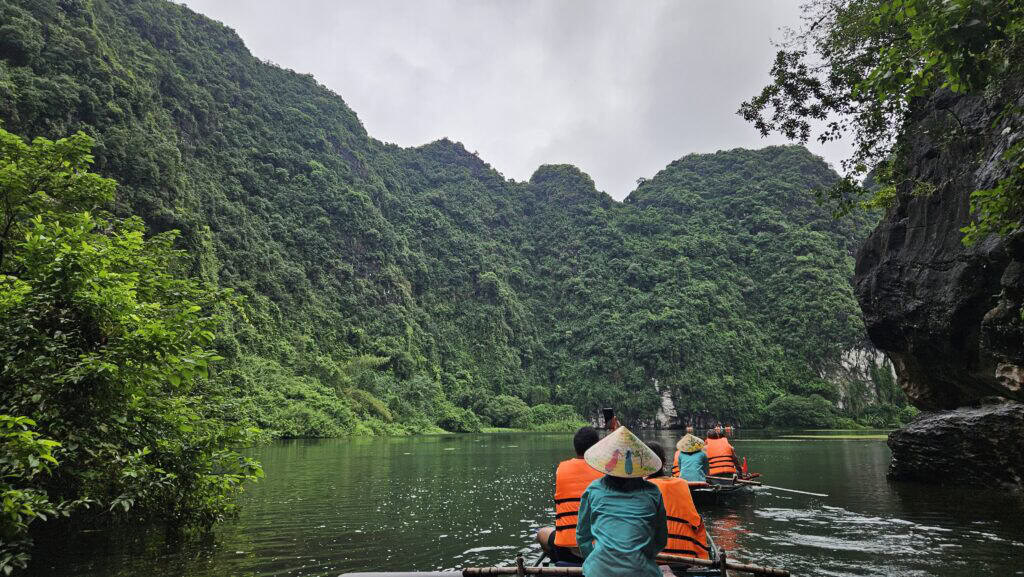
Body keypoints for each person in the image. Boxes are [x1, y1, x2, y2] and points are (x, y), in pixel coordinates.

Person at [576, 426, 667, 577]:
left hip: (598, 571)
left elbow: (582, 537)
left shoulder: (593, 490)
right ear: (638, 464)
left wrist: (596, 561)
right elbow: (660, 539)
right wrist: (640, 557)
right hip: (641, 571)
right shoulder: (653, 492)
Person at [536, 426, 603, 565]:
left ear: (575, 447)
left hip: (565, 550)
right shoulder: (605, 470)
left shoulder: (561, 468)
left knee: (542, 533)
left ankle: (560, 563)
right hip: (599, 550)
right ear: (597, 447)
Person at [645, 441, 711, 560]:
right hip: (688, 558)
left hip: (653, 559)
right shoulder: (681, 484)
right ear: (664, 462)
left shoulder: (641, 488)